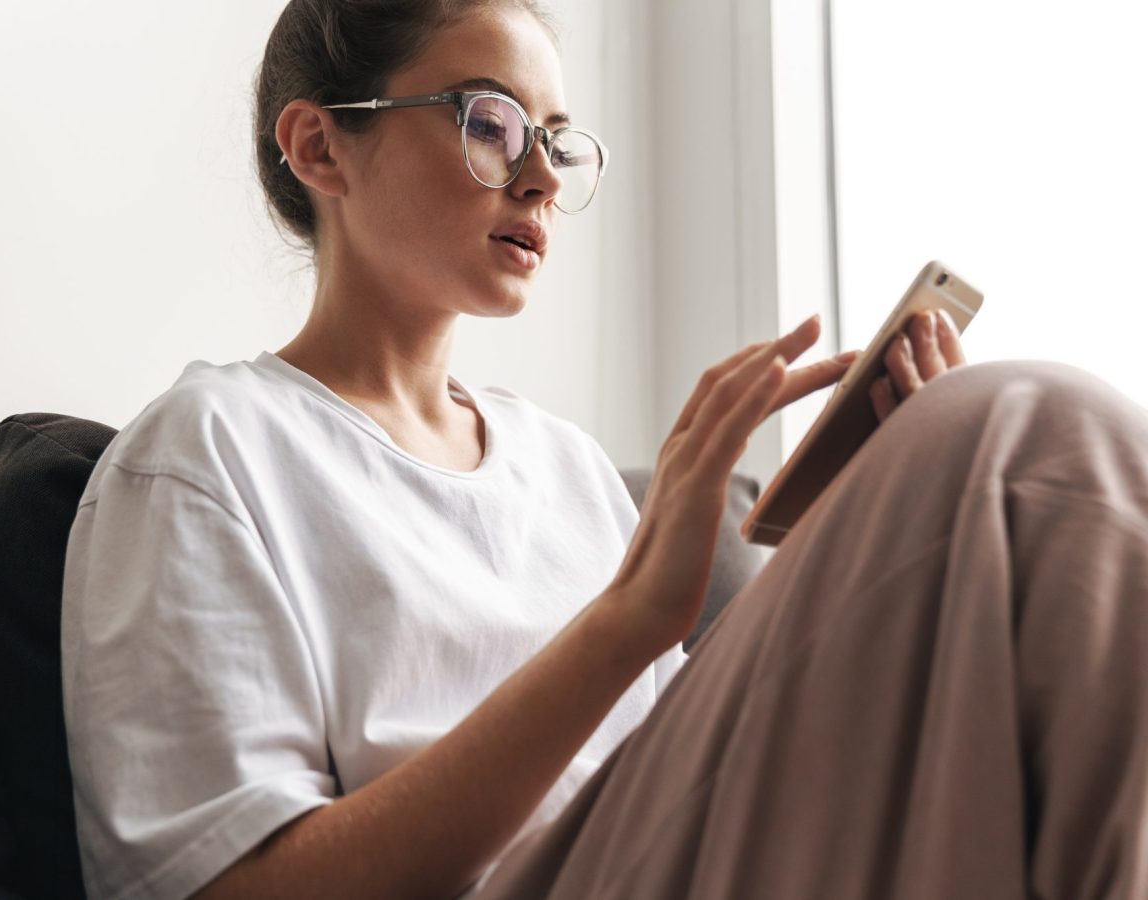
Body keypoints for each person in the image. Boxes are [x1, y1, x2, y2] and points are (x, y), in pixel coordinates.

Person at [60, 1, 1148, 898]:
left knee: (1014, 519)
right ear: (317, 146)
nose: (538, 178)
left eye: (557, 138)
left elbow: (684, 779)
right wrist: (625, 625)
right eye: (489, 123)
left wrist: (855, 574)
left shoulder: (563, 467)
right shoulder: (210, 454)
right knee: (1028, 437)